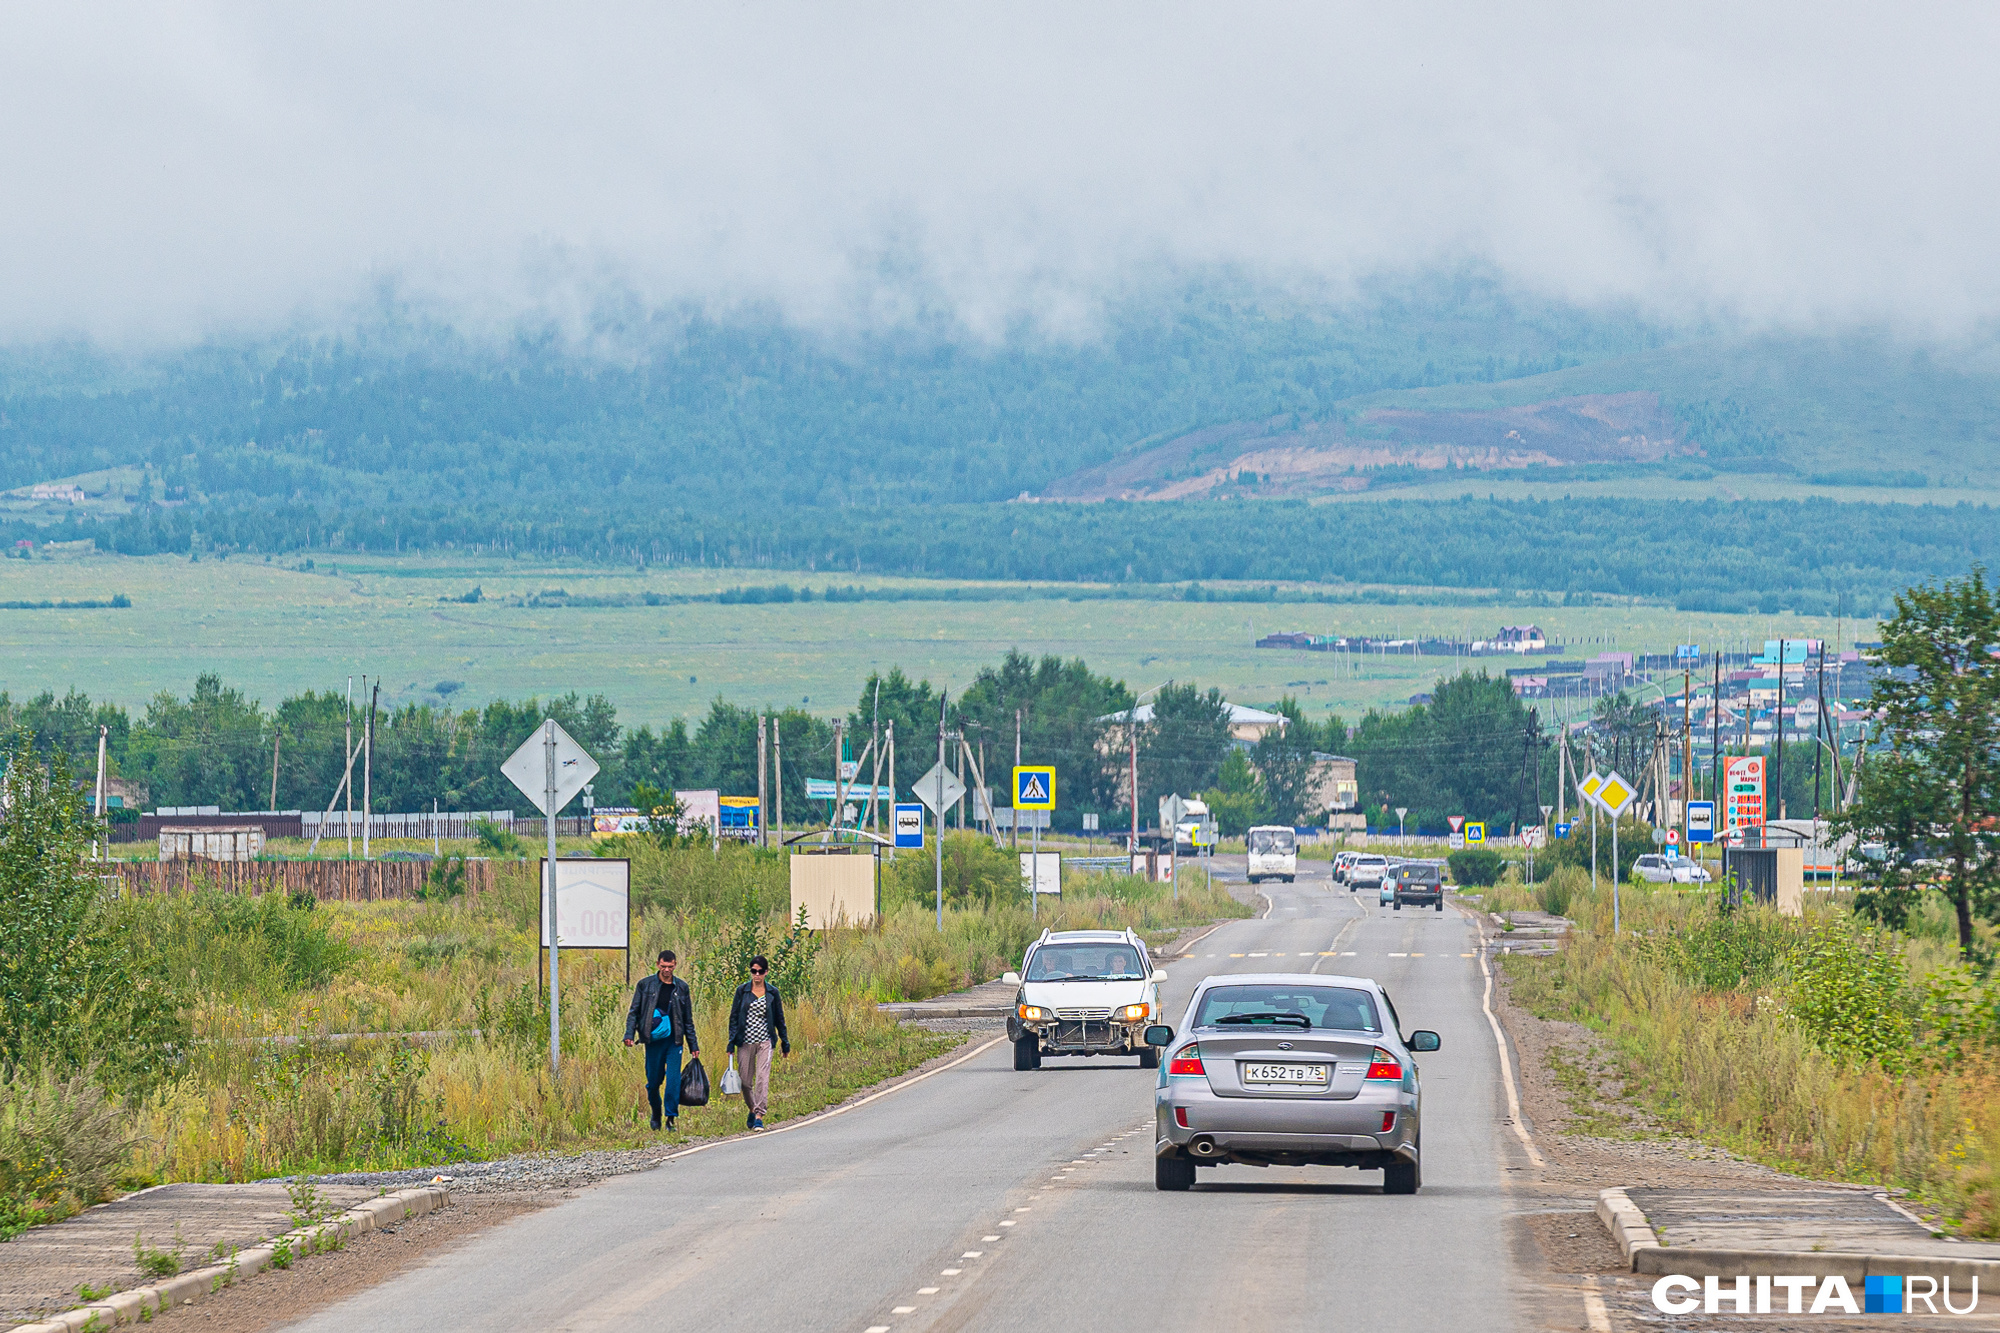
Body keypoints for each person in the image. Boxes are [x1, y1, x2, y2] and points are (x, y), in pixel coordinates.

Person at [625, 949, 699, 1131]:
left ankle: (670, 1119)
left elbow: (687, 1018)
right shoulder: (645, 985)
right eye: (664, 966)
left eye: (670, 966)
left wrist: (693, 1045)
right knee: (653, 1082)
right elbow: (634, 1012)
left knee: (673, 1080)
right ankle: (656, 1113)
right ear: (658, 964)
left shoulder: (681, 987)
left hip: (674, 1041)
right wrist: (629, 1034)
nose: (667, 970)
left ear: (675, 965)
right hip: (653, 1041)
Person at [726, 955, 790, 1130]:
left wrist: (785, 1042)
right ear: (750, 972)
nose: (757, 975)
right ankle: (753, 1109)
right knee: (745, 1081)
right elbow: (733, 1017)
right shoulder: (742, 991)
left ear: (766, 972)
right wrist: (731, 1043)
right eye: (754, 971)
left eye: (761, 971)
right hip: (745, 1041)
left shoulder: (772, 993)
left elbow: (779, 1018)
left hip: (765, 1041)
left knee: (762, 1078)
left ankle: (760, 1115)